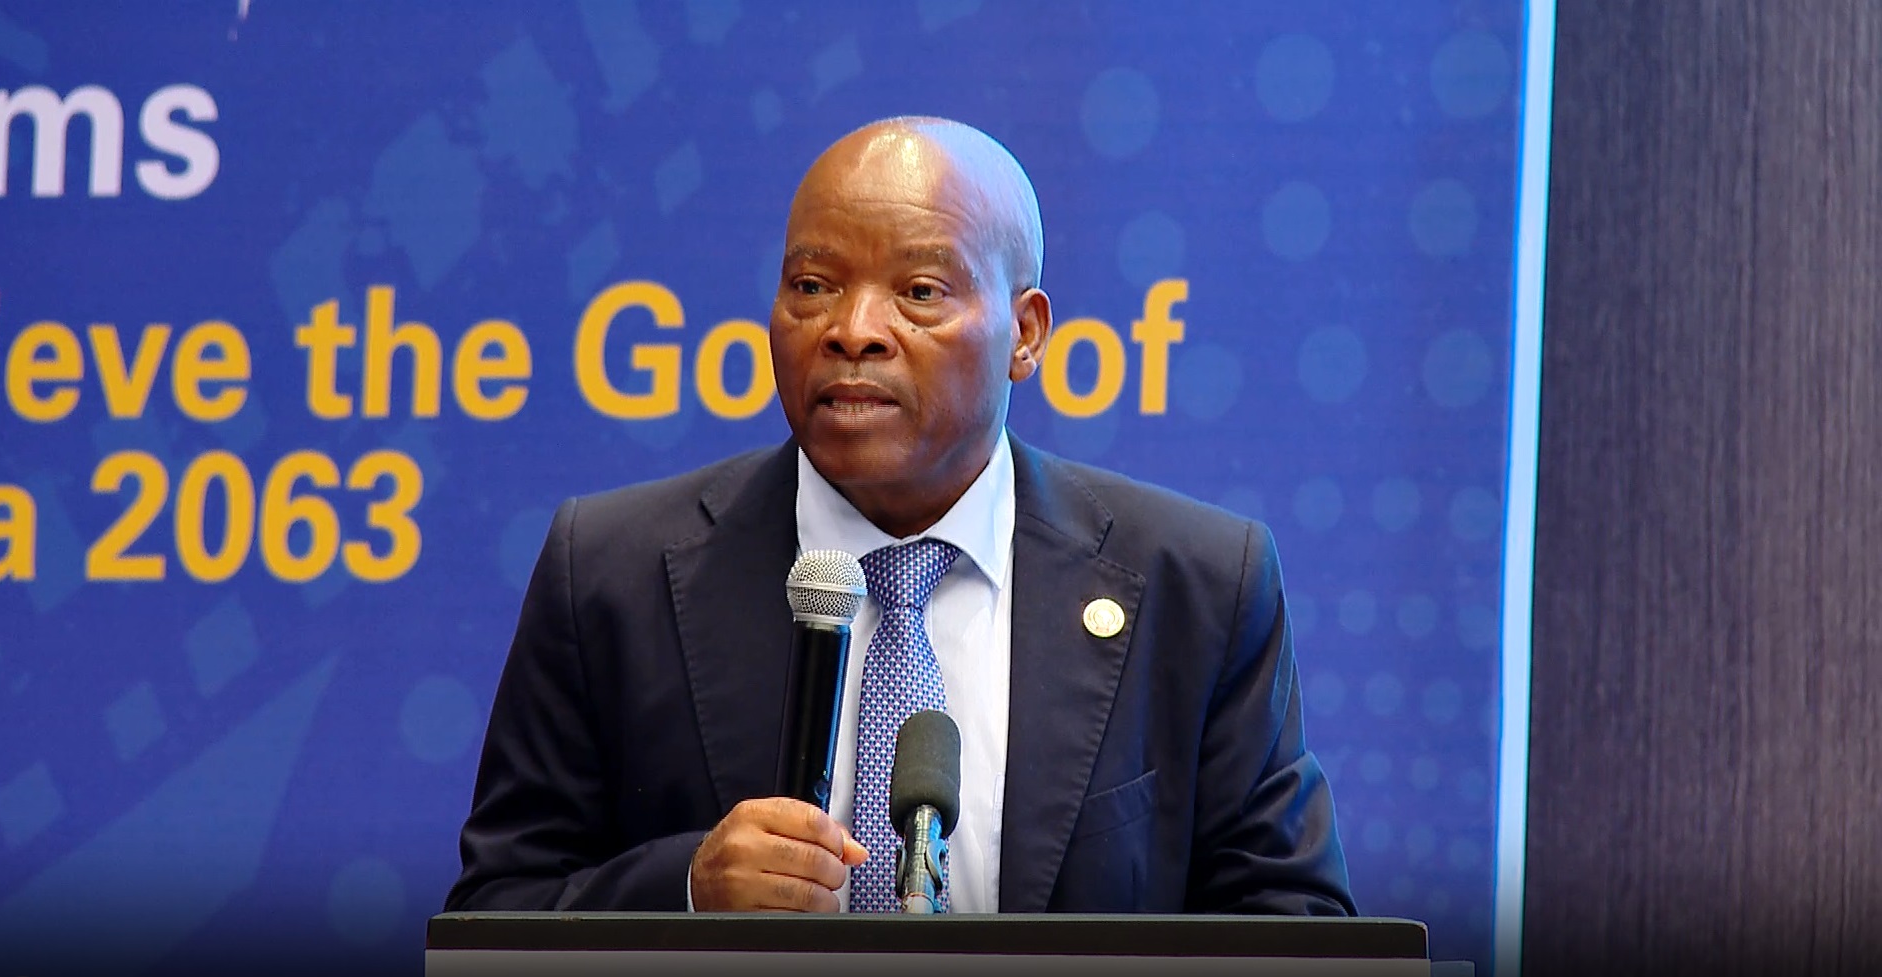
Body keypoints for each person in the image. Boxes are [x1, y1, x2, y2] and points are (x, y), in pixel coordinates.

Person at [444, 117, 1355, 916]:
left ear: (1025, 333)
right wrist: (686, 890)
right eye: (812, 285)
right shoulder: (611, 573)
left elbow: (1294, 923)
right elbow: (494, 911)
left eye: (919, 291)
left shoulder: (1196, 585)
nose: (852, 329)